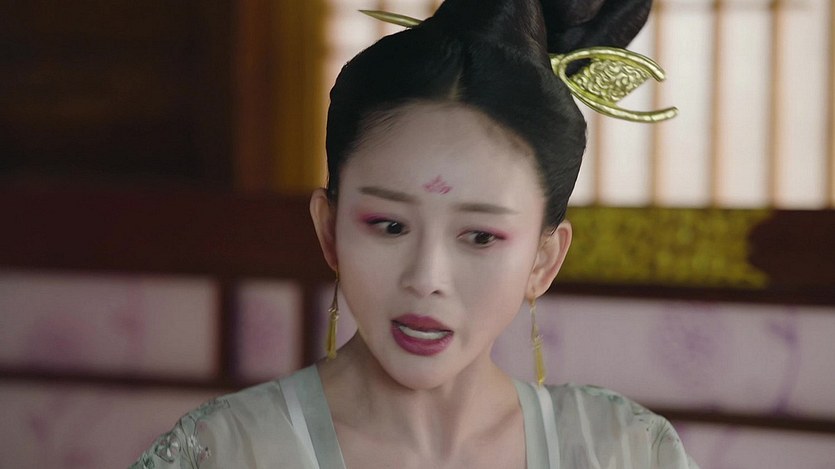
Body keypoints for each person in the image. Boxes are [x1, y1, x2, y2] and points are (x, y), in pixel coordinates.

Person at [132, 0, 697, 467]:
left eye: (480, 237)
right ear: (329, 230)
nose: (426, 279)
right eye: (390, 226)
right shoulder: (223, 453)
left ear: (543, 261)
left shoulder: (625, 451)